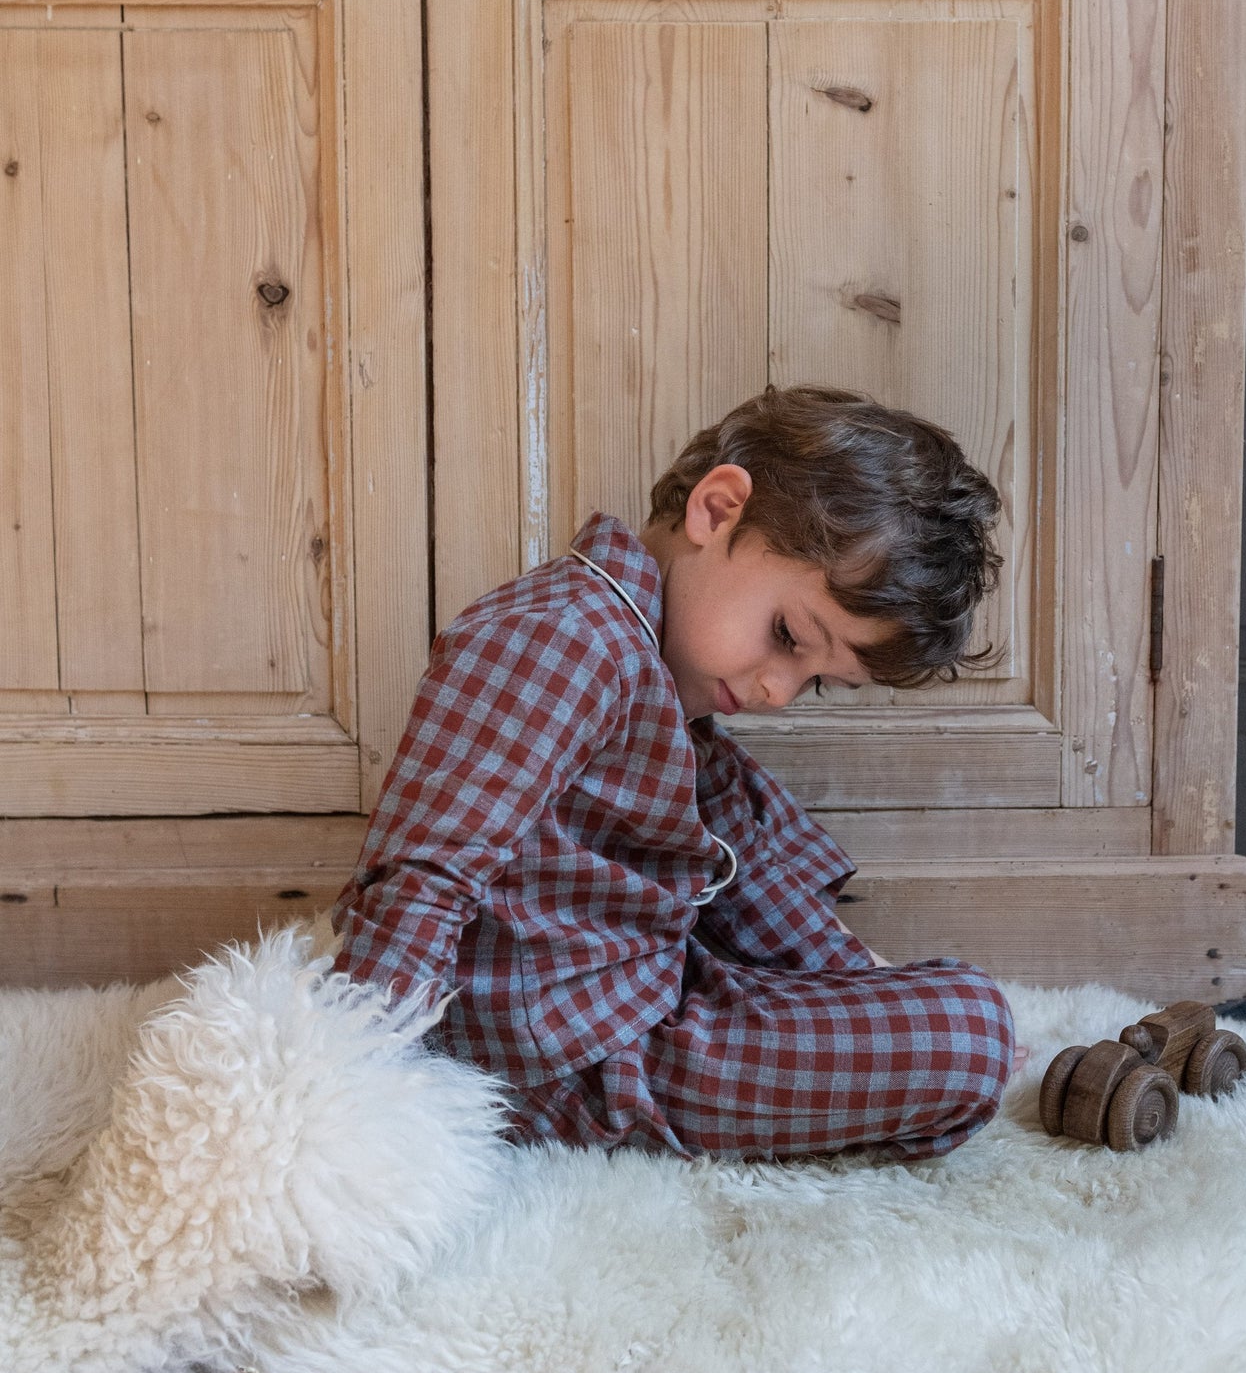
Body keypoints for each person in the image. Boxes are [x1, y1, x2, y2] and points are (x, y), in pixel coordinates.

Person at [333, 385, 1020, 1160]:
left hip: (641, 1003)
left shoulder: (654, 681)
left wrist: (863, 986)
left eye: (817, 680)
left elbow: (745, 868)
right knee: (971, 1027)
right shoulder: (563, 640)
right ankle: (945, 1048)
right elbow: (424, 875)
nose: (778, 691)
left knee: (747, 815)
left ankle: (920, 1025)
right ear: (717, 509)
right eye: (788, 635)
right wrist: (357, 1085)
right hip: (573, 1070)